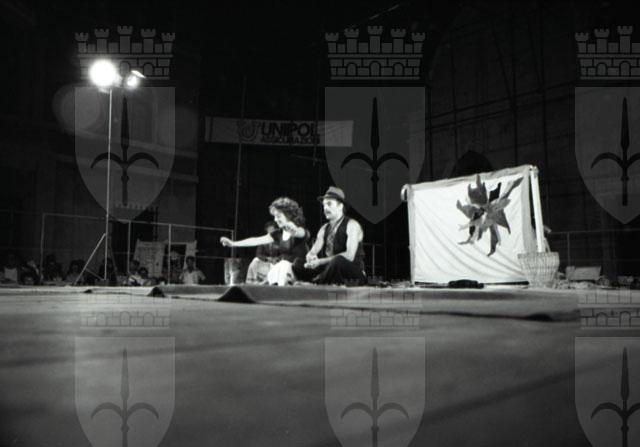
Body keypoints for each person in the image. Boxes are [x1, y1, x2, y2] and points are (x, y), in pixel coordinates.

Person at [220, 197, 309, 286]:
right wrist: (233, 243)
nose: (275, 219)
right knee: (274, 268)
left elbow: (300, 233)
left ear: (288, 215)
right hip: (285, 271)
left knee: (282, 265)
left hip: (300, 271)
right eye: (274, 216)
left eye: (278, 216)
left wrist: (294, 230)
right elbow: (256, 240)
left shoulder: (300, 229)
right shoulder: (278, 234)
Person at [293, 186, 366, 285]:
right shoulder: (324, 228)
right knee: (298, 263)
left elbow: (349, 256)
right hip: (330, 270)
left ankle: (315, 283)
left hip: (352, 273)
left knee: (338, 261)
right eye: (324, 205)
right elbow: (314, 250)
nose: (325, 208)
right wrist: (310, 256)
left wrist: (320, 261)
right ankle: (319, 280)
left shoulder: (352, 225)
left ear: (340, 206)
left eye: (329, 204)